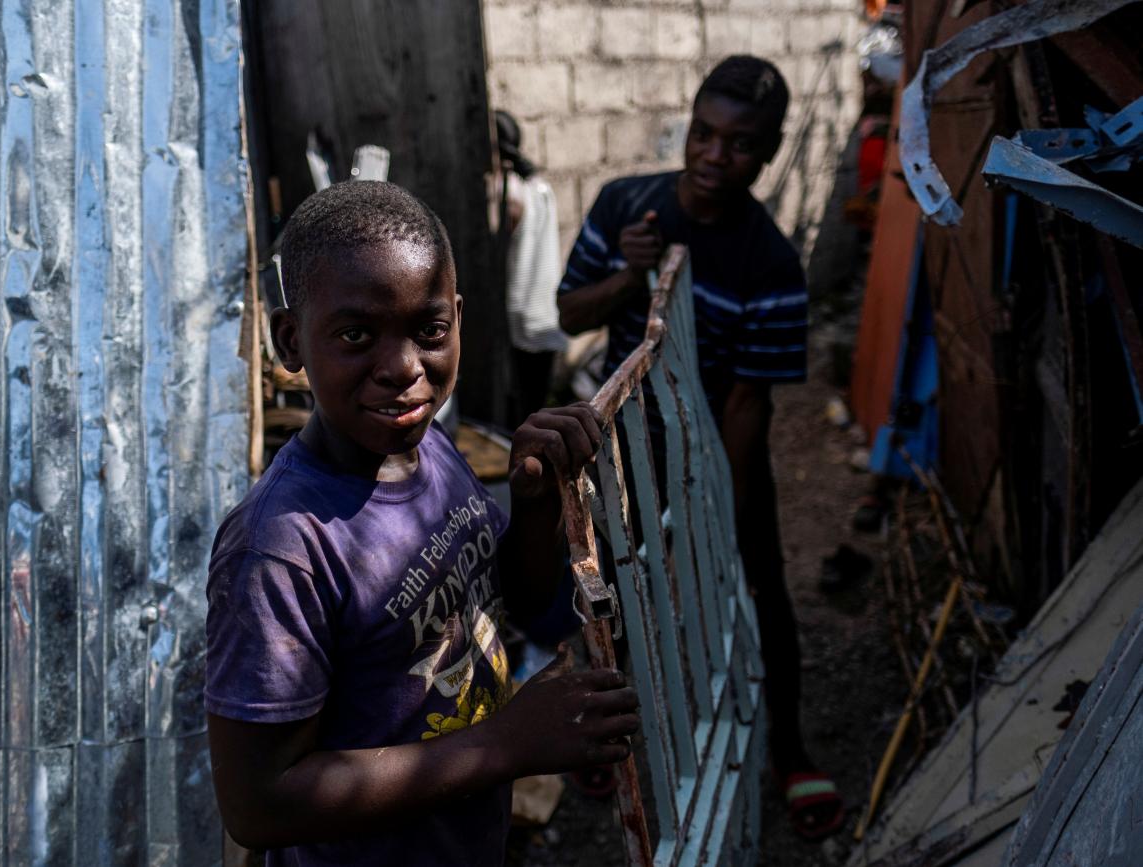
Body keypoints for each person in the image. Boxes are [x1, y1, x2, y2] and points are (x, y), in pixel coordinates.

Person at [205, 180, 639, 866]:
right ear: (290, 339)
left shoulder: (428, 446)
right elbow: (258, 803)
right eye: (355, 334)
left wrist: (532, 504)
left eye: (429, 330)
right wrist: (507, 744)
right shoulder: (283, 548)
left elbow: (516, 606)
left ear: (458, 319)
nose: (404, 369)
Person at [556, 55, 845, 841]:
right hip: (627, 443)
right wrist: (630, 276)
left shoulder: (773, 264)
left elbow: (749, 405)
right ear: (687, 126)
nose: (716, 157)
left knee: (760, 583)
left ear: (771, 148)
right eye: (704, 134)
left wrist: (718, 509)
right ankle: (598, 732)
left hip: (720, 440)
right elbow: (570, 309)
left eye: (741, 144)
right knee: (609, 587)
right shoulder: (629, 204)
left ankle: (788, 747)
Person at [494, 109, 569, 419]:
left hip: (521, 314)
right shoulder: (539, 184)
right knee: (537, 402)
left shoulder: (507, 193)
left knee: (522, 412)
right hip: (545, 309)